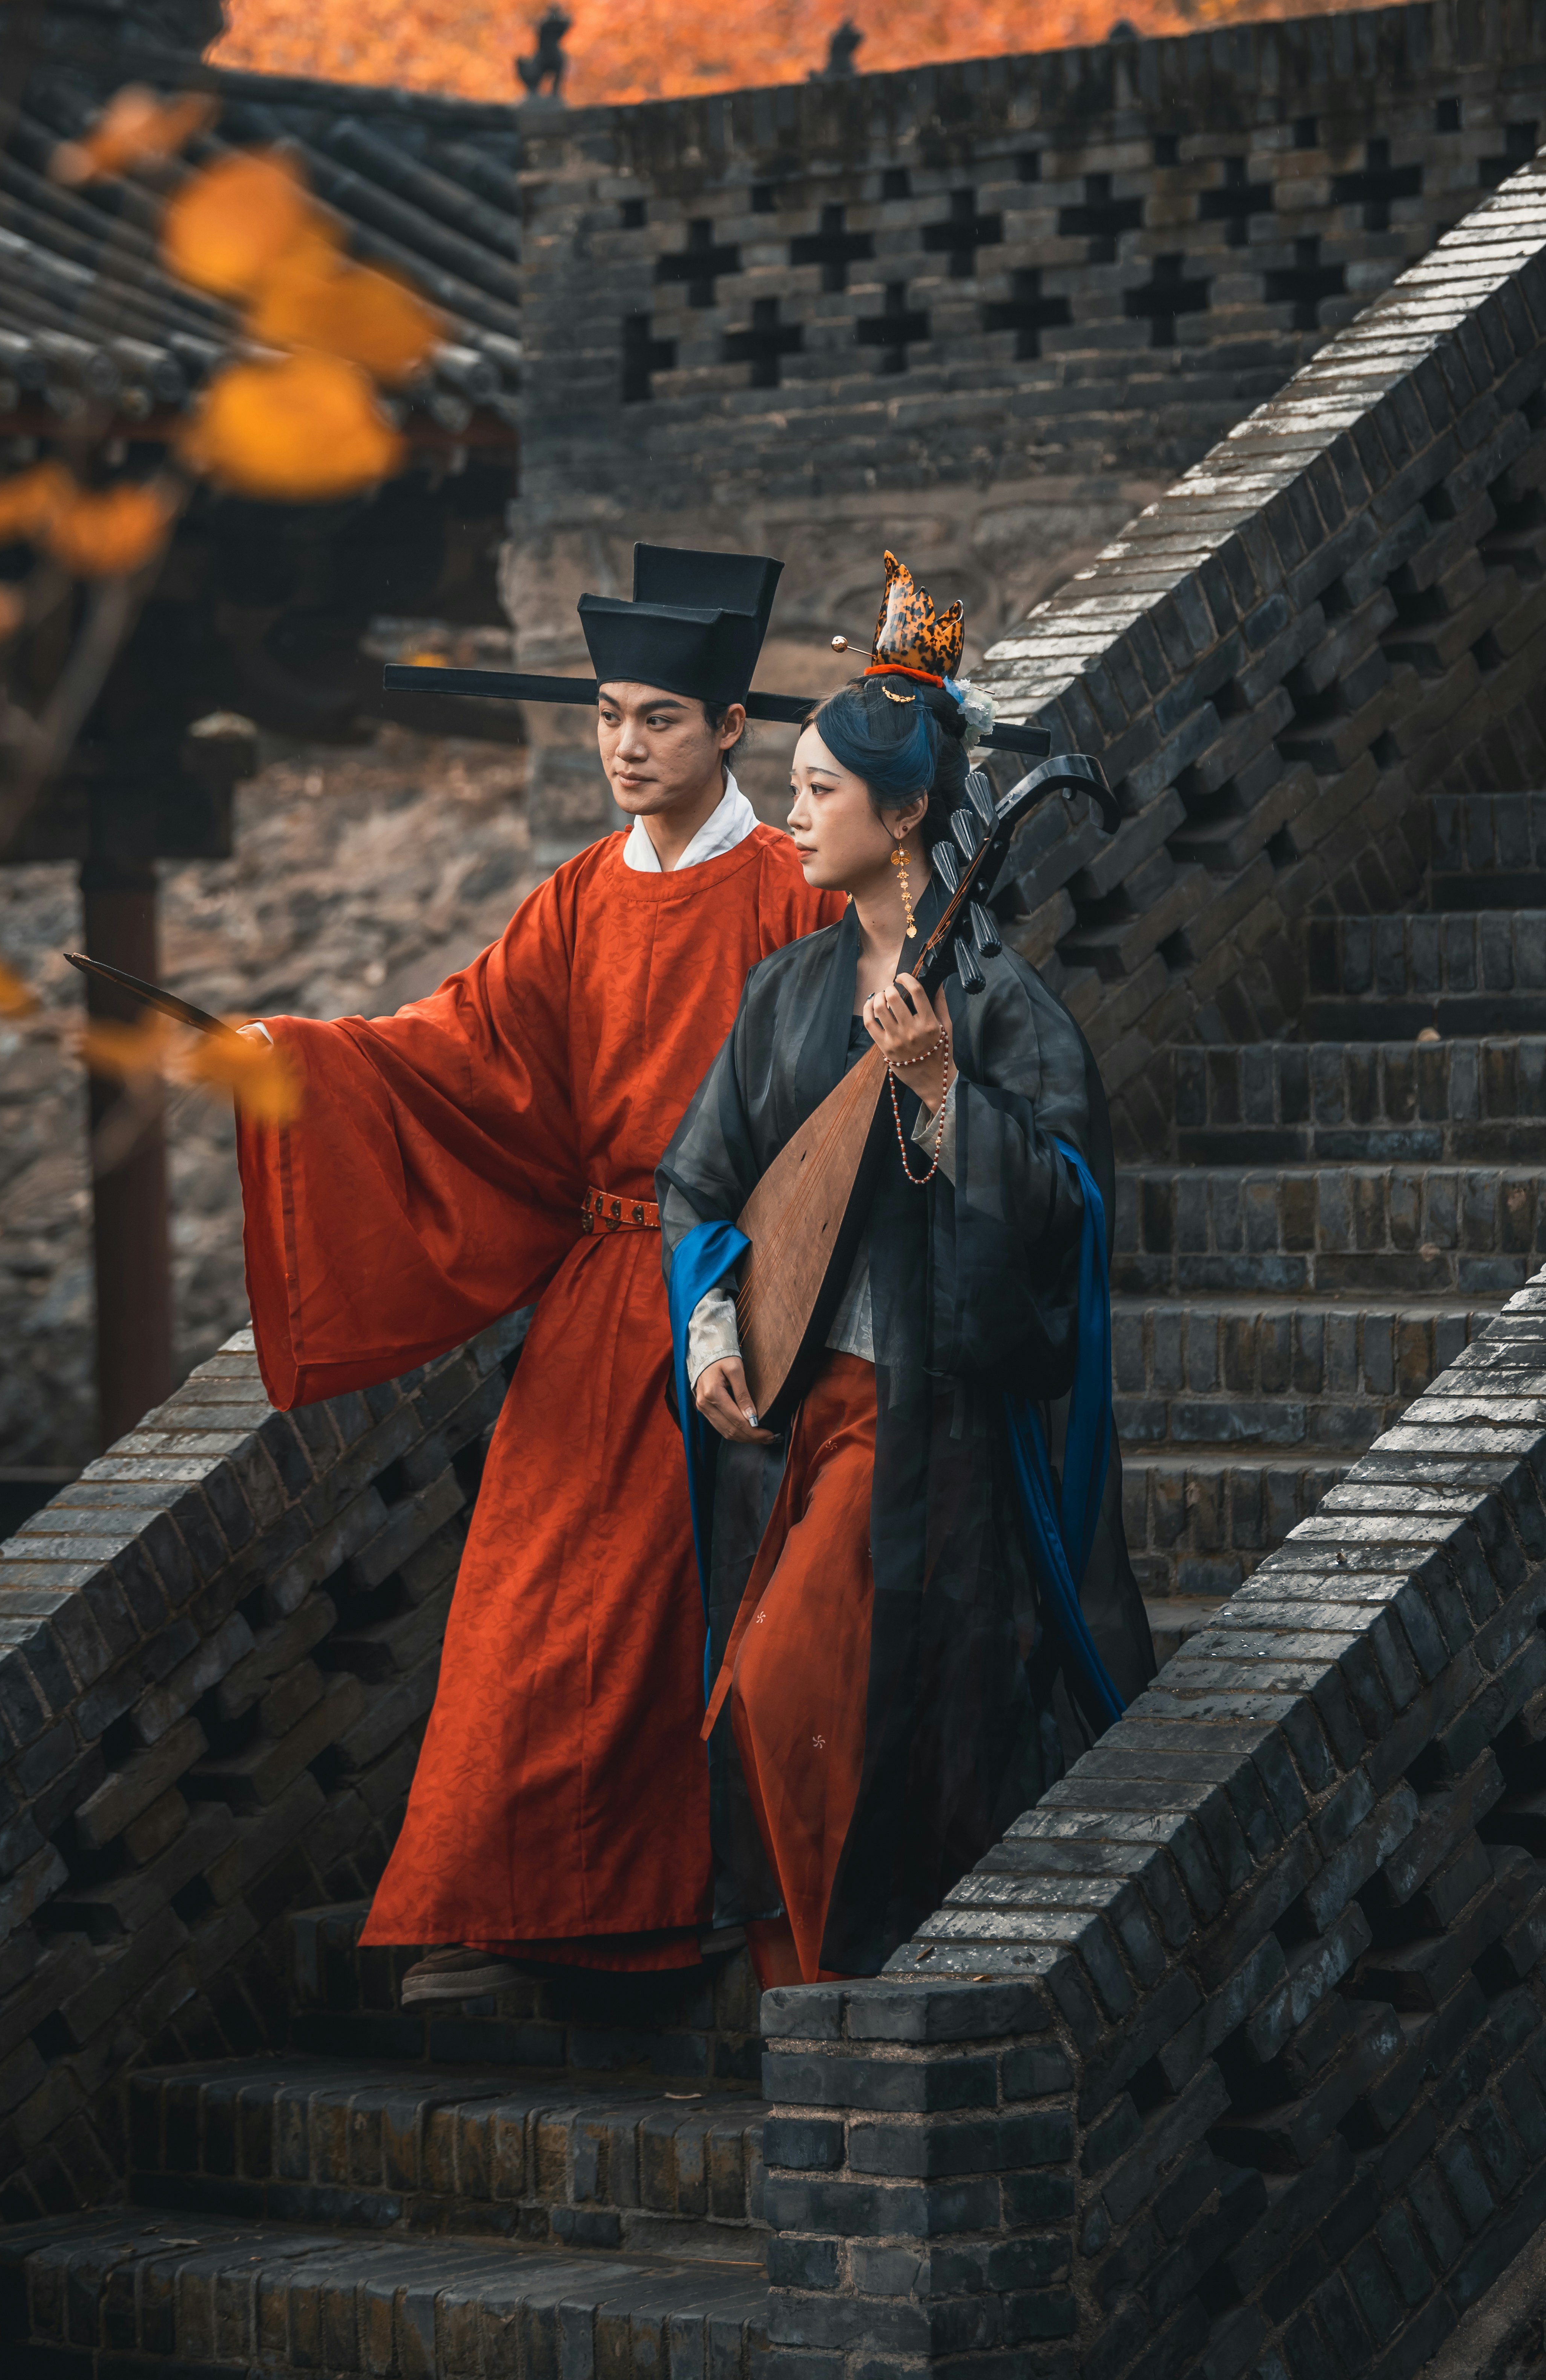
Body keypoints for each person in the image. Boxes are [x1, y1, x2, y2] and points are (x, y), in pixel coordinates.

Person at [235, 546, 846, 2001]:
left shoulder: (788, 894)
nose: (625, 747)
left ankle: (641, 1909)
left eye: (658, 720)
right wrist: (299, 1056)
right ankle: (508, 1904)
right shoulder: (574, 897)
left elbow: (835, 1109)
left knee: (658, 1603)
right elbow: (463, 1052)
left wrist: (773, 1303)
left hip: (739, 1291)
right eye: (606, 717)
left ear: (728, 729)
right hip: (594, 1300)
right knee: (524, 1595)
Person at [658, 552, 1154, 1989]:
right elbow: (699, 1175)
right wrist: (709, 1332)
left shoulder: (1000, 1004)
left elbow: (1064, 1212)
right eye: (797, 783)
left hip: (932, 1427)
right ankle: (806, 1986)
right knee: (772, 1699)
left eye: (820, 791)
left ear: (909, 812)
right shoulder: (788, 994)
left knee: (837, 1691)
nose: (794, 812)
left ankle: (852, 1994)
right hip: (796, 1417)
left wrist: (941, 1091)